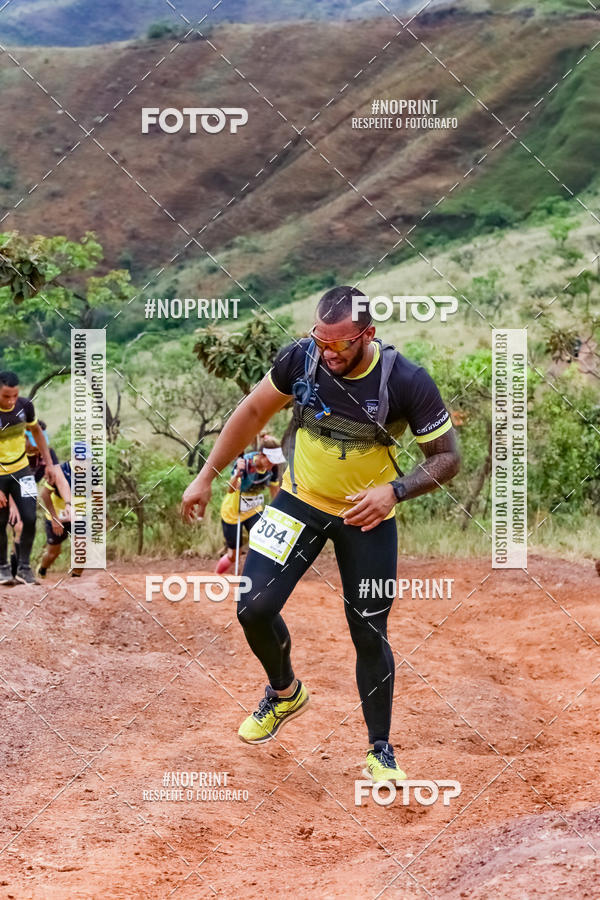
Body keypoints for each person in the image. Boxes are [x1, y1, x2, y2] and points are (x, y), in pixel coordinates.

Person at [181, 286, 460, 783]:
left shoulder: (407, 380)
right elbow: (251, 413)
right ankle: (285, 693)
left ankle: (380, 750)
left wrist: (394, 492)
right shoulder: (302, 359)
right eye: (320, 340)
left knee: (369, 632)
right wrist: (205, 477)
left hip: (367, 517)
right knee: (253, 607)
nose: (328, 353)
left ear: (367, 335)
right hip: (297, 504)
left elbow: (447, 458)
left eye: (340, 345)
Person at [0, 371, 55, 585]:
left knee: (30, 517)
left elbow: (37, 432)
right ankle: (3, 568)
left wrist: (49, 464)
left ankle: (24, 567)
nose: (11, 400)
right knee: (1, 521)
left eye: (15, 395)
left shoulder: (25, 406)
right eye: (6, 396)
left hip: (23, 472)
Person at [216, 439, 283, 575]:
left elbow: (275, 491)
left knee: (262, 544)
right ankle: (215, 575)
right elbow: (230, 490)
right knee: (233, 556)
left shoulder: (273, 468)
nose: (272, 464)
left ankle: (256, 577)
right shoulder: (244, 463)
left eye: (275, 461)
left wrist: (278, 513)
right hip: (233, 512)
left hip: (254, 510)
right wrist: (237, 474)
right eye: (270, 460)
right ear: (261, 455)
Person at [37, 459, 80, 579]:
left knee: (82, 547)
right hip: (57, 516)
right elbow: (45, 494)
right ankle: (42, 570)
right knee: (53, 553)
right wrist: (54, 518)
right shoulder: (60, 470)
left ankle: (76, 580)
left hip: (78, 515)